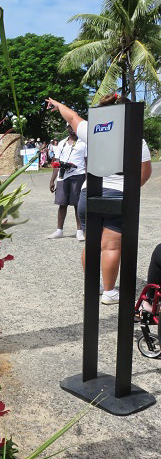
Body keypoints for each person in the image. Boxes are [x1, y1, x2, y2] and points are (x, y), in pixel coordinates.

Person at [46, 93, 152, 305]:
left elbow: (73, 118)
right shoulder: (135, 139)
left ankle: (93, 287)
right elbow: (145, 173)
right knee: (111, 246)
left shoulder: (93, 130)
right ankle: (110, 292)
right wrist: (128, 190)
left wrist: (58, 104)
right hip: (118, 194)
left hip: (89, 193)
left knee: (92, 244)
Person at [48, 125, 87, 242]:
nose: (73, 129)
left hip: (78, 175)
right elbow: (56, 163)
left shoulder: (84, 143)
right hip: (63, 176)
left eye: (75, 127)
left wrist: (87, 179)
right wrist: (52, 180)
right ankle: (59, 230)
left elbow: (87, 161)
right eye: (70, 127)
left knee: (77, 204)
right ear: (67, 128)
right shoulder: (61, 143)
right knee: (62, 203)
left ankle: (79, 231)